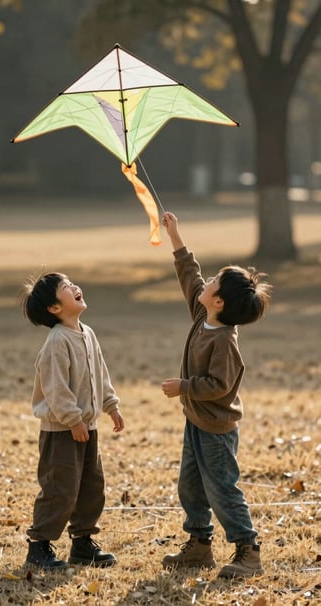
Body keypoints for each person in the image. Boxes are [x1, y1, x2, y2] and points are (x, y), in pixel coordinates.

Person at [161, 212, 272, 579]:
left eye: (214, 282)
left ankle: (248, 550)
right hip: (196, 421)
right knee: (189, 485)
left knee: (221, 488)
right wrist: (175, 237)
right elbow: (189, 276)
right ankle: (199, 545)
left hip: (216, 428)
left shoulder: (224, 340)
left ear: (220, 302)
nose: (205, 282)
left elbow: (219, 386)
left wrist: (184, 387)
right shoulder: (202, 314)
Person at [21, 272, 124, 570]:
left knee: (91, 486)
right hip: (62, 431)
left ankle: (82, 543)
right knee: (60, 488)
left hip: (87, 427)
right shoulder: (56, 342)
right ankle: (39, 547)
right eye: (67, 288)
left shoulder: (87, 333)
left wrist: (111, 405)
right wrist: (72, 420)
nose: (76, 287)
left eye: (73, 284)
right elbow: (56, 388)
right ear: (54, 308)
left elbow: (99, 374)